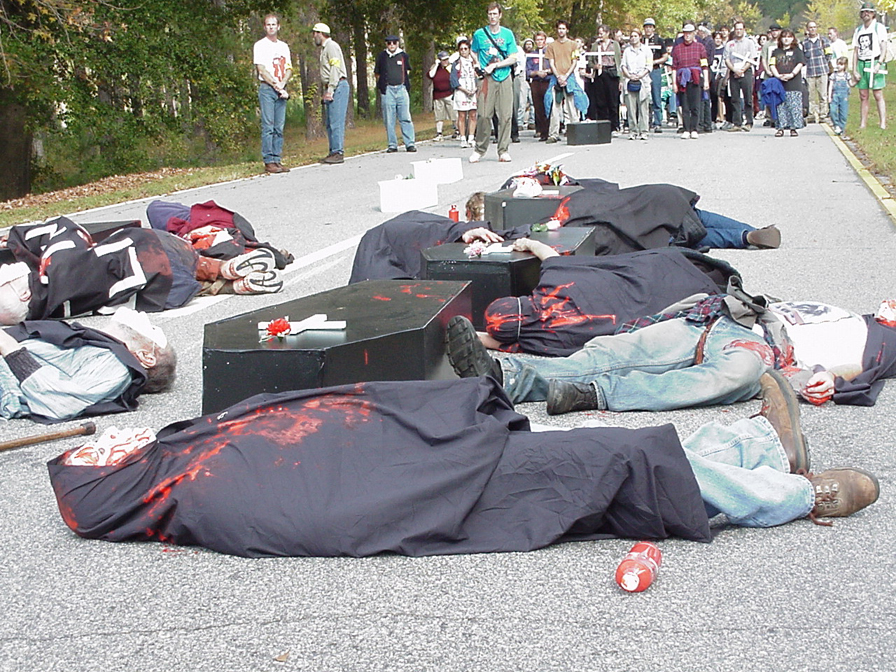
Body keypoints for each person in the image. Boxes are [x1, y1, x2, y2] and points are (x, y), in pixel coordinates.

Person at [48, 376, 880, 557]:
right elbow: (312, 505)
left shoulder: (185, 448)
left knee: (581, 456)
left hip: (426, 461)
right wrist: (417, 470)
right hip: (421, 493)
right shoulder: (197, 493)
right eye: (104, 452)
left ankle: (757, 446)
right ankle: (788, 495)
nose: (115, 440)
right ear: (109, 481)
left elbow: (330, 415)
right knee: (599, 465)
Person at [445, 295, 896, 415]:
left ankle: (592, 395)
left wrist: (831, 381)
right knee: (613, 349)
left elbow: (862, 369)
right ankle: (504, 374)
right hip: (729, 318)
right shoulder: (864, 314)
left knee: (725, 379)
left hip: (763, 352)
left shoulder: (885, 343)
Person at [0, 217, 283, 327]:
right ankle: (221, 268)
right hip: (149, 255)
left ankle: (226, 285)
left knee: (158, 283)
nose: (13, 268)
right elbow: (63, 229)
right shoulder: (57, 265)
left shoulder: (48, 313)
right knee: (148, 245)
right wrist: (17, 241)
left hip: (164, 293)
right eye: (13, 276)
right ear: (24, 291)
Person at [477, 244, 738, 357]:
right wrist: (528, 243)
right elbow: (549, 255)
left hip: (685, 302)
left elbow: (492, 341)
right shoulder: (553, 281)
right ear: (517, 299)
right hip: (666, 273)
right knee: (645, 265)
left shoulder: (545, 343)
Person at [0, 307, 176, 422]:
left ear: (146, 357)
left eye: (152, 328)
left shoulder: (119, 365)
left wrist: (7, 345)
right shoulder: (101, 347)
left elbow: (60, 402)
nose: (144, 315)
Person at [469, 3, 518, 164]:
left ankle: (503, 150)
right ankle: (479, 149)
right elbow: (473, 50)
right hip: (486, 79)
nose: (492, 17)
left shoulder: (508, 34)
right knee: (483, 114)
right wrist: (477, 63)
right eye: (490, 14)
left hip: (503, 75)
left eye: (495, 14)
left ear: (500, 15)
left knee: (505, 115)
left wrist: (496, 65)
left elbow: (513, 57)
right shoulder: (479, 34)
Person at [253, 14, 292, 174]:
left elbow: (289, 68)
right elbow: (261, 69)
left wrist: (283, 84)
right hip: (267, 88)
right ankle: (268, 160)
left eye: (273, 24)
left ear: (278, 26)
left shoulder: (283, 46)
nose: (271, 27)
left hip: (281, 89)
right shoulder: (260, 45)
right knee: (268, 126)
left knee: (279, 126)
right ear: (265, 27)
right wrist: (276, 85)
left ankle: (277, 158)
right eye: (268, 24)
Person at [312, 22, 349, 164]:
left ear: (320, 33)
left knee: (336, 121)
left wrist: (331, 89)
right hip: (332, 85)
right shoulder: (324, 48)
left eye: (315, 33)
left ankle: (338, 152)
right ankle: (333, 150)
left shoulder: (331, 46)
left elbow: (335, 68)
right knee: (330, 122)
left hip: (338, 85)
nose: (314, 36)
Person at [375, 35, 416, 153]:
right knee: (389, 118)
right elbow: (377, 73)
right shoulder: (382, 56)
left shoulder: (403, 55)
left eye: (394, 43)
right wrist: (383, 86)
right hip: (388, 90)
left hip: (401, 88)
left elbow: (407, 71)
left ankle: (410, 143)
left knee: (405, 117)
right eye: (389, 43)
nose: (391, 45)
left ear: (397, 43)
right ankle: (392, 144)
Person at [851, 2, 889, 130]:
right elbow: (855, 51)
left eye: (869, 11)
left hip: (875, 62)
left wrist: (879, 64)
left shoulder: (879, 28)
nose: (866, 14)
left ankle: (882, 123)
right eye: (864, 12)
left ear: (873, 14)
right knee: (863, 95)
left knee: (878, 94)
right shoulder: (859, 30)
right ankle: (863, 123)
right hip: (862, 62)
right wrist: (855, 70)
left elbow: (884, 47)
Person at [545, 21, 582, 144]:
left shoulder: (573, 45)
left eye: (563, 28)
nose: (561, 31)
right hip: (556, 78)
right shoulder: (551, 46)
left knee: (572, 106)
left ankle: (576, 131)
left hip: (569, 77)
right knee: (555, 107)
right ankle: (553, 134)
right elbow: (551, 63)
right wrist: (558, 76)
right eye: (559, 28)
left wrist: (566, 76)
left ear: (567, 30)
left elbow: (574, 62)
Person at [671, 23, 709, 139]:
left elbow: (704, 65)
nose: (687, 36)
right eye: (685, 33)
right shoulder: (677, 49)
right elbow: (673, 67)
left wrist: (706, 80)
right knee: (685, 105)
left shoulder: (700, 47)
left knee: (696, 105)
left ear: (694, 34)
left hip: (696, 79)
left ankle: (694, 129)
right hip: (682, 80)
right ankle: (686, 129)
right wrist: (674, 83)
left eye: (689, 33)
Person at [769, 29, 806, 137]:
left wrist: (792, 74)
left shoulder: (797, 51)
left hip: (794, 82)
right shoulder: (776, 51)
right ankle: (780, 127)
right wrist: (777, 75)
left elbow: (800, 63)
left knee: (793, 105)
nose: (786, 39)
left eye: (789, 37)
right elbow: (772, 64)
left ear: (793, 38)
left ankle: (793, 127)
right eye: (784, 36)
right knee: (780, 105)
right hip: (779, 82)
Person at [724, 20, 758, 131]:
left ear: (744, 30)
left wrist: (743, 69)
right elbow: (727, 59)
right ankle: (737, 123)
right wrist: (734, 70)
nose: (738, 31)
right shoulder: (729, 44)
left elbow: (752, 58)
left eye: (740, 29)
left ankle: (749, 122)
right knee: (734, 98)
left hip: (746, 71)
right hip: (734, 71)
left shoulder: (749, 43)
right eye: (736, 29)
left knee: (748, 97)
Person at [587, 25, 622, 131]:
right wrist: (595, 66)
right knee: (600, 101)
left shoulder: (614, 44)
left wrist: (621, 78)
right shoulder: (595, 45)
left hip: (611, 74)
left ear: (607, 33)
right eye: (599, 33)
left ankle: (614, 126)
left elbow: (618, 61)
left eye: (602, 33)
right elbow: (590, 61)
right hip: (600, 74)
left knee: (613, 101)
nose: (600, 35)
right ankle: (603, 126)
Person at [621, 28, 652, 140]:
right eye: (631, 36)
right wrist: (629, 75)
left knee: (643, 107)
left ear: (640, 37)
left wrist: (640, 75)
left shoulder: (646, 50)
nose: (633, 38)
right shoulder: (627, 51)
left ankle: (644, 131)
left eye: (635, 36)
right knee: (631, 108)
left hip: (643, 81)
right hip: (630, 80)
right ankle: (633, 130)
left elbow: (649, 66)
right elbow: (623, 65)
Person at [802, 21, 833, 124]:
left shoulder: (824, 40)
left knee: (823, 95)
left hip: (822, 71)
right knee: (811, 95)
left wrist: (824, 63)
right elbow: (802, 58)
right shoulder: (804, 43)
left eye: (814, 27)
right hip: (810, 72)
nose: (812, 29)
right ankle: (811, 115)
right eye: (810, 27)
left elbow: (829, 54)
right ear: (807, 29)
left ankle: (823, 115)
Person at [451, 39, 479, 148]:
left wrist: (475, 89)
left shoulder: (474, 62)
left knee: (473, 114)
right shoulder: (456, 63)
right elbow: (453, 80)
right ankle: (463, 138)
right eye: (461, 49)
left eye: (465, 49)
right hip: (461, 91)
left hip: (473, 90)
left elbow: (480, 75)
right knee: (462, 115)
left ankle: (471, 137)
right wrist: (464, 90)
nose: (463, 51)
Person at [642, 19, 668, 133]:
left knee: (656, 96)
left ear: (653, 28)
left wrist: (655, 62)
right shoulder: (641, 40)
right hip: (642, 71)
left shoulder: (659, 40)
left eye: (650, 27)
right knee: (642, 96)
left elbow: (665, 56)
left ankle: (657, 122)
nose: (648, 29)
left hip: (655, 70)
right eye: (646, 27)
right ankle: (644, 122)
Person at [526, 31, 552, 141]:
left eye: (541, 39)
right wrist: (536, 73)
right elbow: (528, 71)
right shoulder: (532, 55)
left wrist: (547, 71)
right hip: (536, 83)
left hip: (547, 81)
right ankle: (542, 131)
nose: (539, 42)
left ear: (545, 40)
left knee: (549, 106)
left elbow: (555, 67)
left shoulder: (550, 53)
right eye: (537, 40)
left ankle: (551, 130)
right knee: (538, 108)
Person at [428, 51, 456, 142]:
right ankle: (439, 133)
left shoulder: (451, 67)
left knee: (454, 114)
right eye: (443, 60)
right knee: (439, 115)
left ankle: (457, 130)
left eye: (446, 59)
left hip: (449, 94)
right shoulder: (435, 68)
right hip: (438, 95)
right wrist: (436, 65)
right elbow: (431, 75)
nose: (445, 61)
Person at [829, 56, 852, 136]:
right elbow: (830, 86)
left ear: (845, 65)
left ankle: (841, 128)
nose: (839, 66)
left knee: (843, 113)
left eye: (841, 64)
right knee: (833, 111)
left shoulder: (847, 75)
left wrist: (856, 81)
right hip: (835, 95)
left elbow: (850, 84)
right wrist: (829, 96)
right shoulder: (834, 75)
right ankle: (836, 125)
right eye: (838, 64)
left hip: (844, 96)